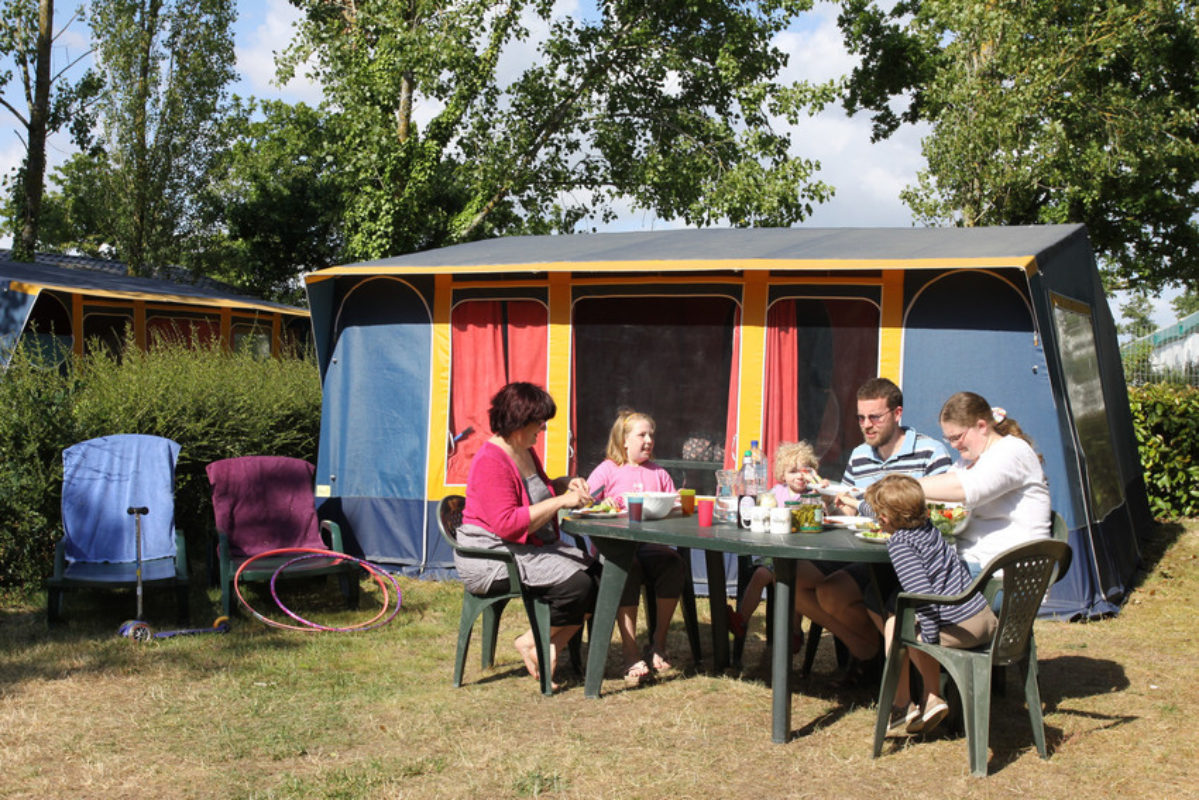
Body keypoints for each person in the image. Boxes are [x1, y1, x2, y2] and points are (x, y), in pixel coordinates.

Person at [454, 382, 599, 692]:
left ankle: (547, 647)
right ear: (519, 421)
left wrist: (566, 484)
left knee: (599, 577)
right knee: (577, 584)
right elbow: (507, 524)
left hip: (520, 547)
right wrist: (561, 502)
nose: (544, 428)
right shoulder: (491, 460)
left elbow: (540, 490)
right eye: (539, 421)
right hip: (490, 555)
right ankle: (530, 640)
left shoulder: (525, 450)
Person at [811, 378, 953, 672]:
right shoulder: (860, 456)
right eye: (861, 418)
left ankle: (906, 671)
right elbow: (848, 504)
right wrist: (830, 499)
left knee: (881, 600)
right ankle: (877, 660)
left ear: (897, 414)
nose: (867, 425)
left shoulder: (931, 452)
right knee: (828, 592)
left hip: (917, 561)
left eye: (875, 417)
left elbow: (945, 513)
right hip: (868, 555)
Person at [864, 475, 997, 737]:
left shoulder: (901, 544)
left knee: (896, 627)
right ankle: (926, 698)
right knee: (896, 620)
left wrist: (930, 640)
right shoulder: (929, 527)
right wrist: (859, 503)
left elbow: (921, 595)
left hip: (958, 626)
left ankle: (904, 704)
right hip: (983, 618)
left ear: (884, 521)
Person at [585, 410, 687, 686]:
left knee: (673, 563)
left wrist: (675, 507)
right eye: (642, 434)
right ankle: (630, 653)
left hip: (651, 546)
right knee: (626, 566)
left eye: (651, 434)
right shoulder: (608, 470)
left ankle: (658, 644)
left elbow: (674, 508)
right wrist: (604, 507)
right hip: (616, 549)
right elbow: (586, 504)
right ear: (623, 440)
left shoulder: (660, 473)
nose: (649, 440)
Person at [918, 391, 1051, 574]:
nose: (954, 445)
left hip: (1009, 574)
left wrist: (905, 486)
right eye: (948, 439)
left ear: (981, 426)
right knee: (885, 586)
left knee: (906, 588)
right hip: (974, 563)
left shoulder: (1012, 452)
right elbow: (946, 502)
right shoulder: (967, 461)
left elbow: (966, 488)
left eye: (957, 437)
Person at [728, 440, 823, 651]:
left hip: (803, 557)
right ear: (783, 475)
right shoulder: (776, 493)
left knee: (793, 581)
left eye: (804, 471)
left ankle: (795, 632)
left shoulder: (812, 496)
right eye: (792, 471)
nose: (799, 476)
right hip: (776, 553)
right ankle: (741, 620)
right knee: (761, 575)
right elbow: (762, 512)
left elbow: (823, 517)